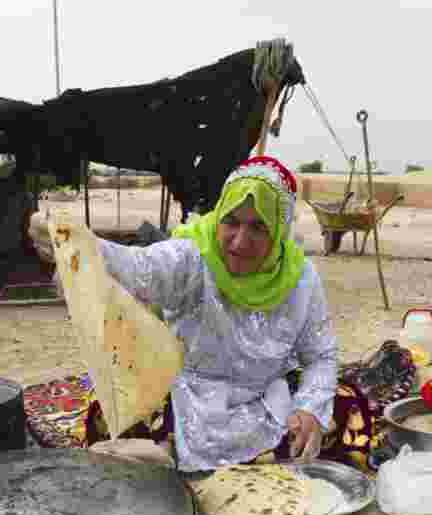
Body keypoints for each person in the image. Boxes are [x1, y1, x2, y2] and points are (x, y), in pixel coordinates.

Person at [92, 155, 339, 473]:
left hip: (265, 397)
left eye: (258, 227)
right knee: (108, 409)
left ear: (279, 230)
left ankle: (168, 458)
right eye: (231, 222)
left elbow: (321, 356)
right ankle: (171, 449)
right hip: (188, 393)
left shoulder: (301, 279)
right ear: (218, 216)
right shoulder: (193, 257)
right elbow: (135, 266)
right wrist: (77, 242)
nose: (240, 241)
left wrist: (310, 410)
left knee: (344, 408)